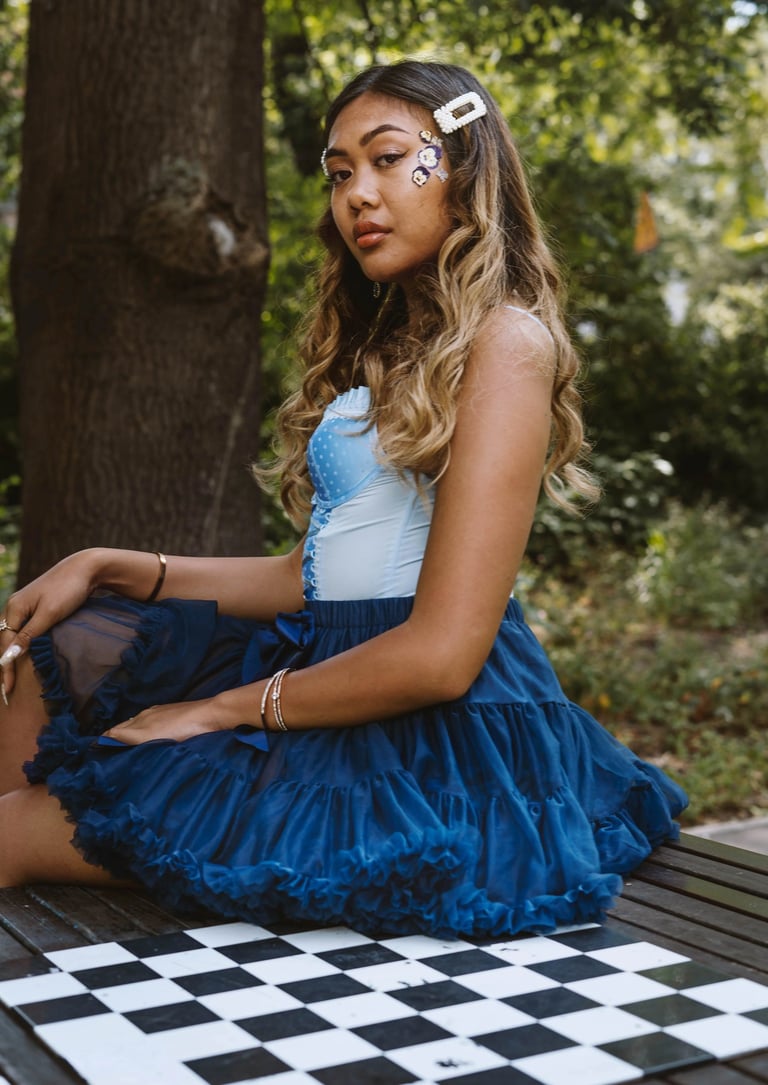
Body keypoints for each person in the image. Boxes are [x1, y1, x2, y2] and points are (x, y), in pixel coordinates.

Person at [0, 60, 687, 938]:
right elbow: (314, 574)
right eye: (338, 172)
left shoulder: (506, 341)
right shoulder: (395, 345)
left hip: (426, 727)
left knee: (15, 831)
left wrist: (214, 709)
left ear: (463, 165)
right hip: (325, 658)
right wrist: (113, 566)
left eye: (388, 159)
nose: (357, 194)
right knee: (49, 650)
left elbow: (442, 655)